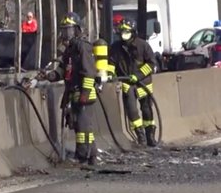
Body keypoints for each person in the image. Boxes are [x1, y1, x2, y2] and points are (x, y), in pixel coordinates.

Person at [44, 12, 99, 165]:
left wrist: (85, 93)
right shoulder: (69, 50)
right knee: (80, 125)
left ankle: (82, 157)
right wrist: (49, 76)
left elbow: (89, 73)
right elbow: (63, 70)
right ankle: (91, 155)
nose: (65, 33)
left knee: (82, 127)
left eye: (68, 29)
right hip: (73, 93)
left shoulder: (83, 47)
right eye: (63, 30)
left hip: (84, 93)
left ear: (76, 29)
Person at [108, 18, 157, 147]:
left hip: (144, 83)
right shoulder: (115, 48)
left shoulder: (143, 45)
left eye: (126, 31)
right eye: (121, 31)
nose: (123, 34)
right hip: (127, 84)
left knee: (147, 110)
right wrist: (110, 73)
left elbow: (152, 64)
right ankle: (140, 136)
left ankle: (150, 136)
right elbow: (111, 63)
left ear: (133, 32)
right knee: (132, 111)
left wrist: (138, 76)